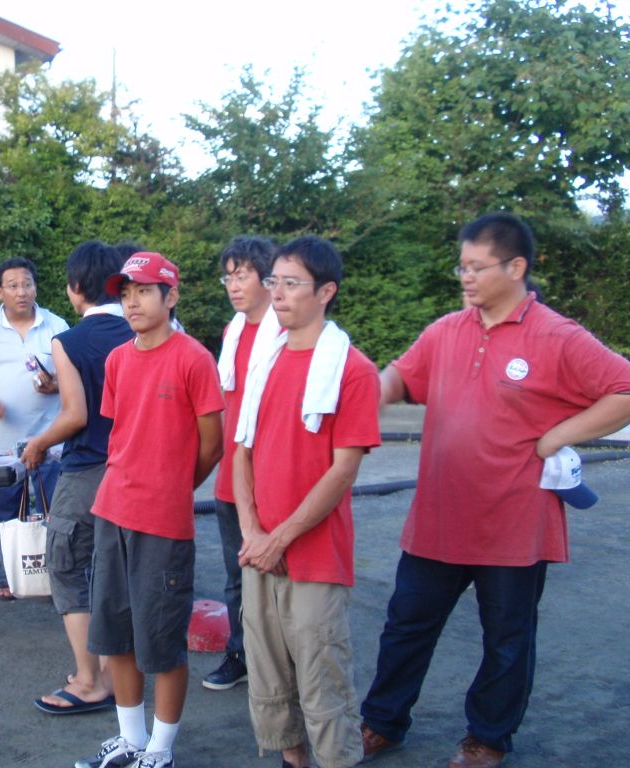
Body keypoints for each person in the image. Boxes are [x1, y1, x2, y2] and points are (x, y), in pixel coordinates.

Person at [359, 213, 630, 768]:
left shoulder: (557, 336)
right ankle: (381, 723)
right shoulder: (446, 330)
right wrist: (368, 391)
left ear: (516, 267)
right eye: (462, 266)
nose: (466, 277)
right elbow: (402, 376)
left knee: (507, 640)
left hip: (514, 522)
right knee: (406, 626)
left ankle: (487, 738)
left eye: (477, 267)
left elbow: (624, 390)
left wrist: (559, 435)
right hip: (439, 517)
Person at [233, 237, 381, 768]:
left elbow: (343, 470)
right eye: (274, 281)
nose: (277, 293)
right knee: (268, 678)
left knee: (323, 679)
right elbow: (241, 451)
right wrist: (253, 532)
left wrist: (279, 539)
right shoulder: (265, 362)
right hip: (259, 550)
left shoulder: (351, 369)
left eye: (291, 283)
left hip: (315, 555)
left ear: (325, 292)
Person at [75, 252, 224, 768]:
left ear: (171, 295)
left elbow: (212, 445)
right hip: (112, 510)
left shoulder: (193, 359)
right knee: (114, 634)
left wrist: (173, 487)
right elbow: (122, 434)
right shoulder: (118, 359)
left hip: (162, 522)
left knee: (161, 642)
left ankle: (160, 750)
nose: (132, 302)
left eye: (143, 291)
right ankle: (131, 740)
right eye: (125, 293)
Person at [20, 241, 133, 714]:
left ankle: (90, 682)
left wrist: (37, 444)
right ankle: (116, 674)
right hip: (136, 469)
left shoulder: (69, 341)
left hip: (87, 469)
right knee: (116, 570)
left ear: (75, 288)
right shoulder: (143, 330)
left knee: (67, 565)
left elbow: (75, 415)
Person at [0, 257, 68, 599]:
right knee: (7, 512)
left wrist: (56, 385)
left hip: (51, 439)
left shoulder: (56, 325)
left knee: (57, 509)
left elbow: (73, 377)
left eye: (27, 284)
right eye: (13, 286)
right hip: (2, 441)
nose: (21, 292)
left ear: (36, 287)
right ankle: (14, 576)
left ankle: (58, 576)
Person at [204, 235, 278, 692]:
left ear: (268, 279)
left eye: (243, 275)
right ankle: (240, 654)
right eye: (228, 277)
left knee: (276, 578)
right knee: (236, 575)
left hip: (270, 478)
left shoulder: (286, 333)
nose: (233, 285)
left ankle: (277, 663)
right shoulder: (232, 332)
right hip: (231, 475)